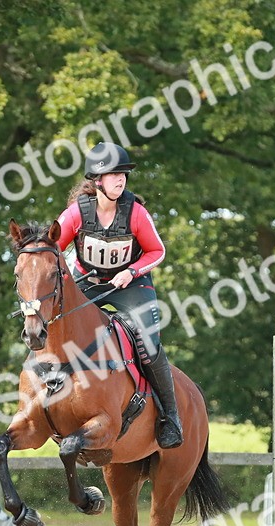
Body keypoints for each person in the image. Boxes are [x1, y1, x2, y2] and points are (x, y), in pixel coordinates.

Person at [53, 142, 183, 448]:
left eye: (123, 174)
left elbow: (157, 251)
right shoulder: (76, 214)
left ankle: (171, 417)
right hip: (89, 281)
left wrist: (133, 271)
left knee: (148, 346)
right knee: (55, 323)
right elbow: (52, 249)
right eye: (113, 175)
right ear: (98, 181)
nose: (120, 179)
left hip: (131, 286)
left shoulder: (135, 212)